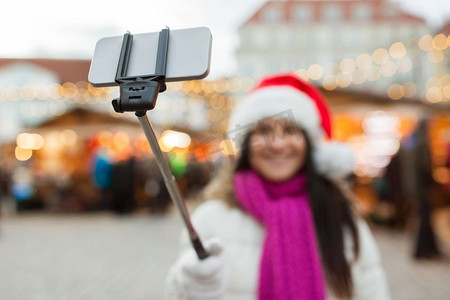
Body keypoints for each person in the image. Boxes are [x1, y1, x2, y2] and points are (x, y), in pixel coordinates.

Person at [165, 73, 390, 299]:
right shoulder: (210, 219)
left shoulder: (341, 218)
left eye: (291, 131)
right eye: (263, 131)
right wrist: (187, 286)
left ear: (310, 145)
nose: (279, 144)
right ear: (246, 145)